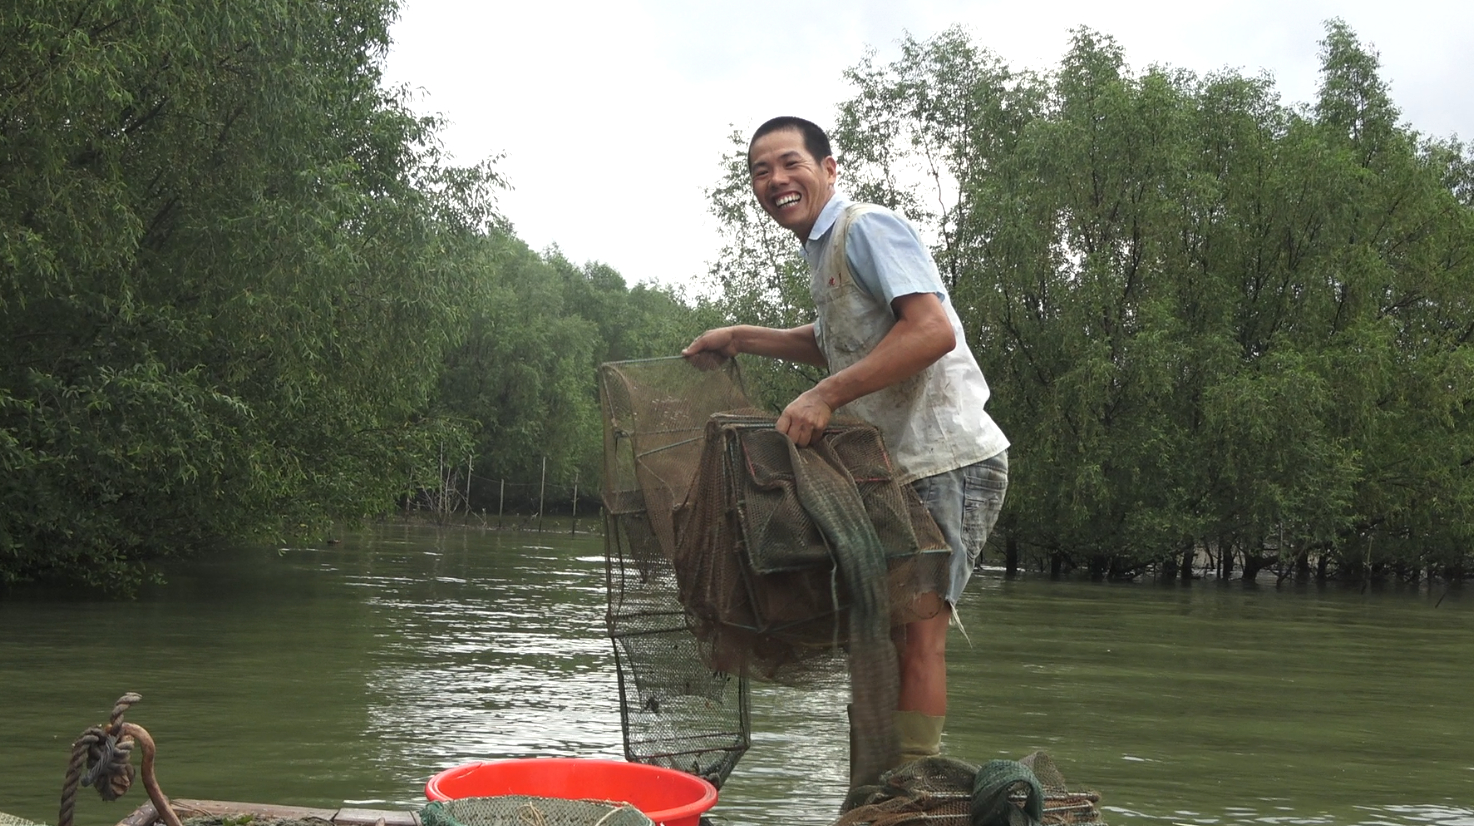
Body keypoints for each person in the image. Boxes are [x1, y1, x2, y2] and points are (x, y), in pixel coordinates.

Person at [682, 116, 1009, 772]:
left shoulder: (866, 228)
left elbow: (931, 331)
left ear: (829, 169)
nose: (776, 180)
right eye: (760, 171)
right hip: (892, 471)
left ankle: (908, 785)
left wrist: (825, 396)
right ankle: (879, 781)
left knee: (917, 632)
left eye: (790, 163)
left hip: (946, 460)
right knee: (880, 634)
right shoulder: (823, 251)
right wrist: (741, 337)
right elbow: (837, 340)